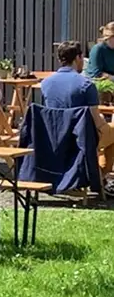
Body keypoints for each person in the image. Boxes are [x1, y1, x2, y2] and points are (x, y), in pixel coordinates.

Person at [41, 40, 114, 194]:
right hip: (80, 139)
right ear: (78, 58)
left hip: (54, 137)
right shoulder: (86, 84)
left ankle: (99, 176)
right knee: (110, 133)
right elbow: (97, 122)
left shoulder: (46, 83)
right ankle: (101, 177)